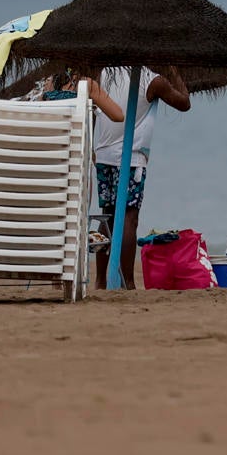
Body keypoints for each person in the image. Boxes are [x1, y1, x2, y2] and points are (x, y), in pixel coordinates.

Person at [92, 65, 192, 289]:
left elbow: (93, 109)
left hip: (104, 155)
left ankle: (100, 280)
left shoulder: (106, 72)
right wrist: (174, 71)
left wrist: (91, 146)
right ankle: (127, 281)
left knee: (107, 217)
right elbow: (184, 103)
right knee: (130, 217)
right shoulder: (152, 80)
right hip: (131, 157)